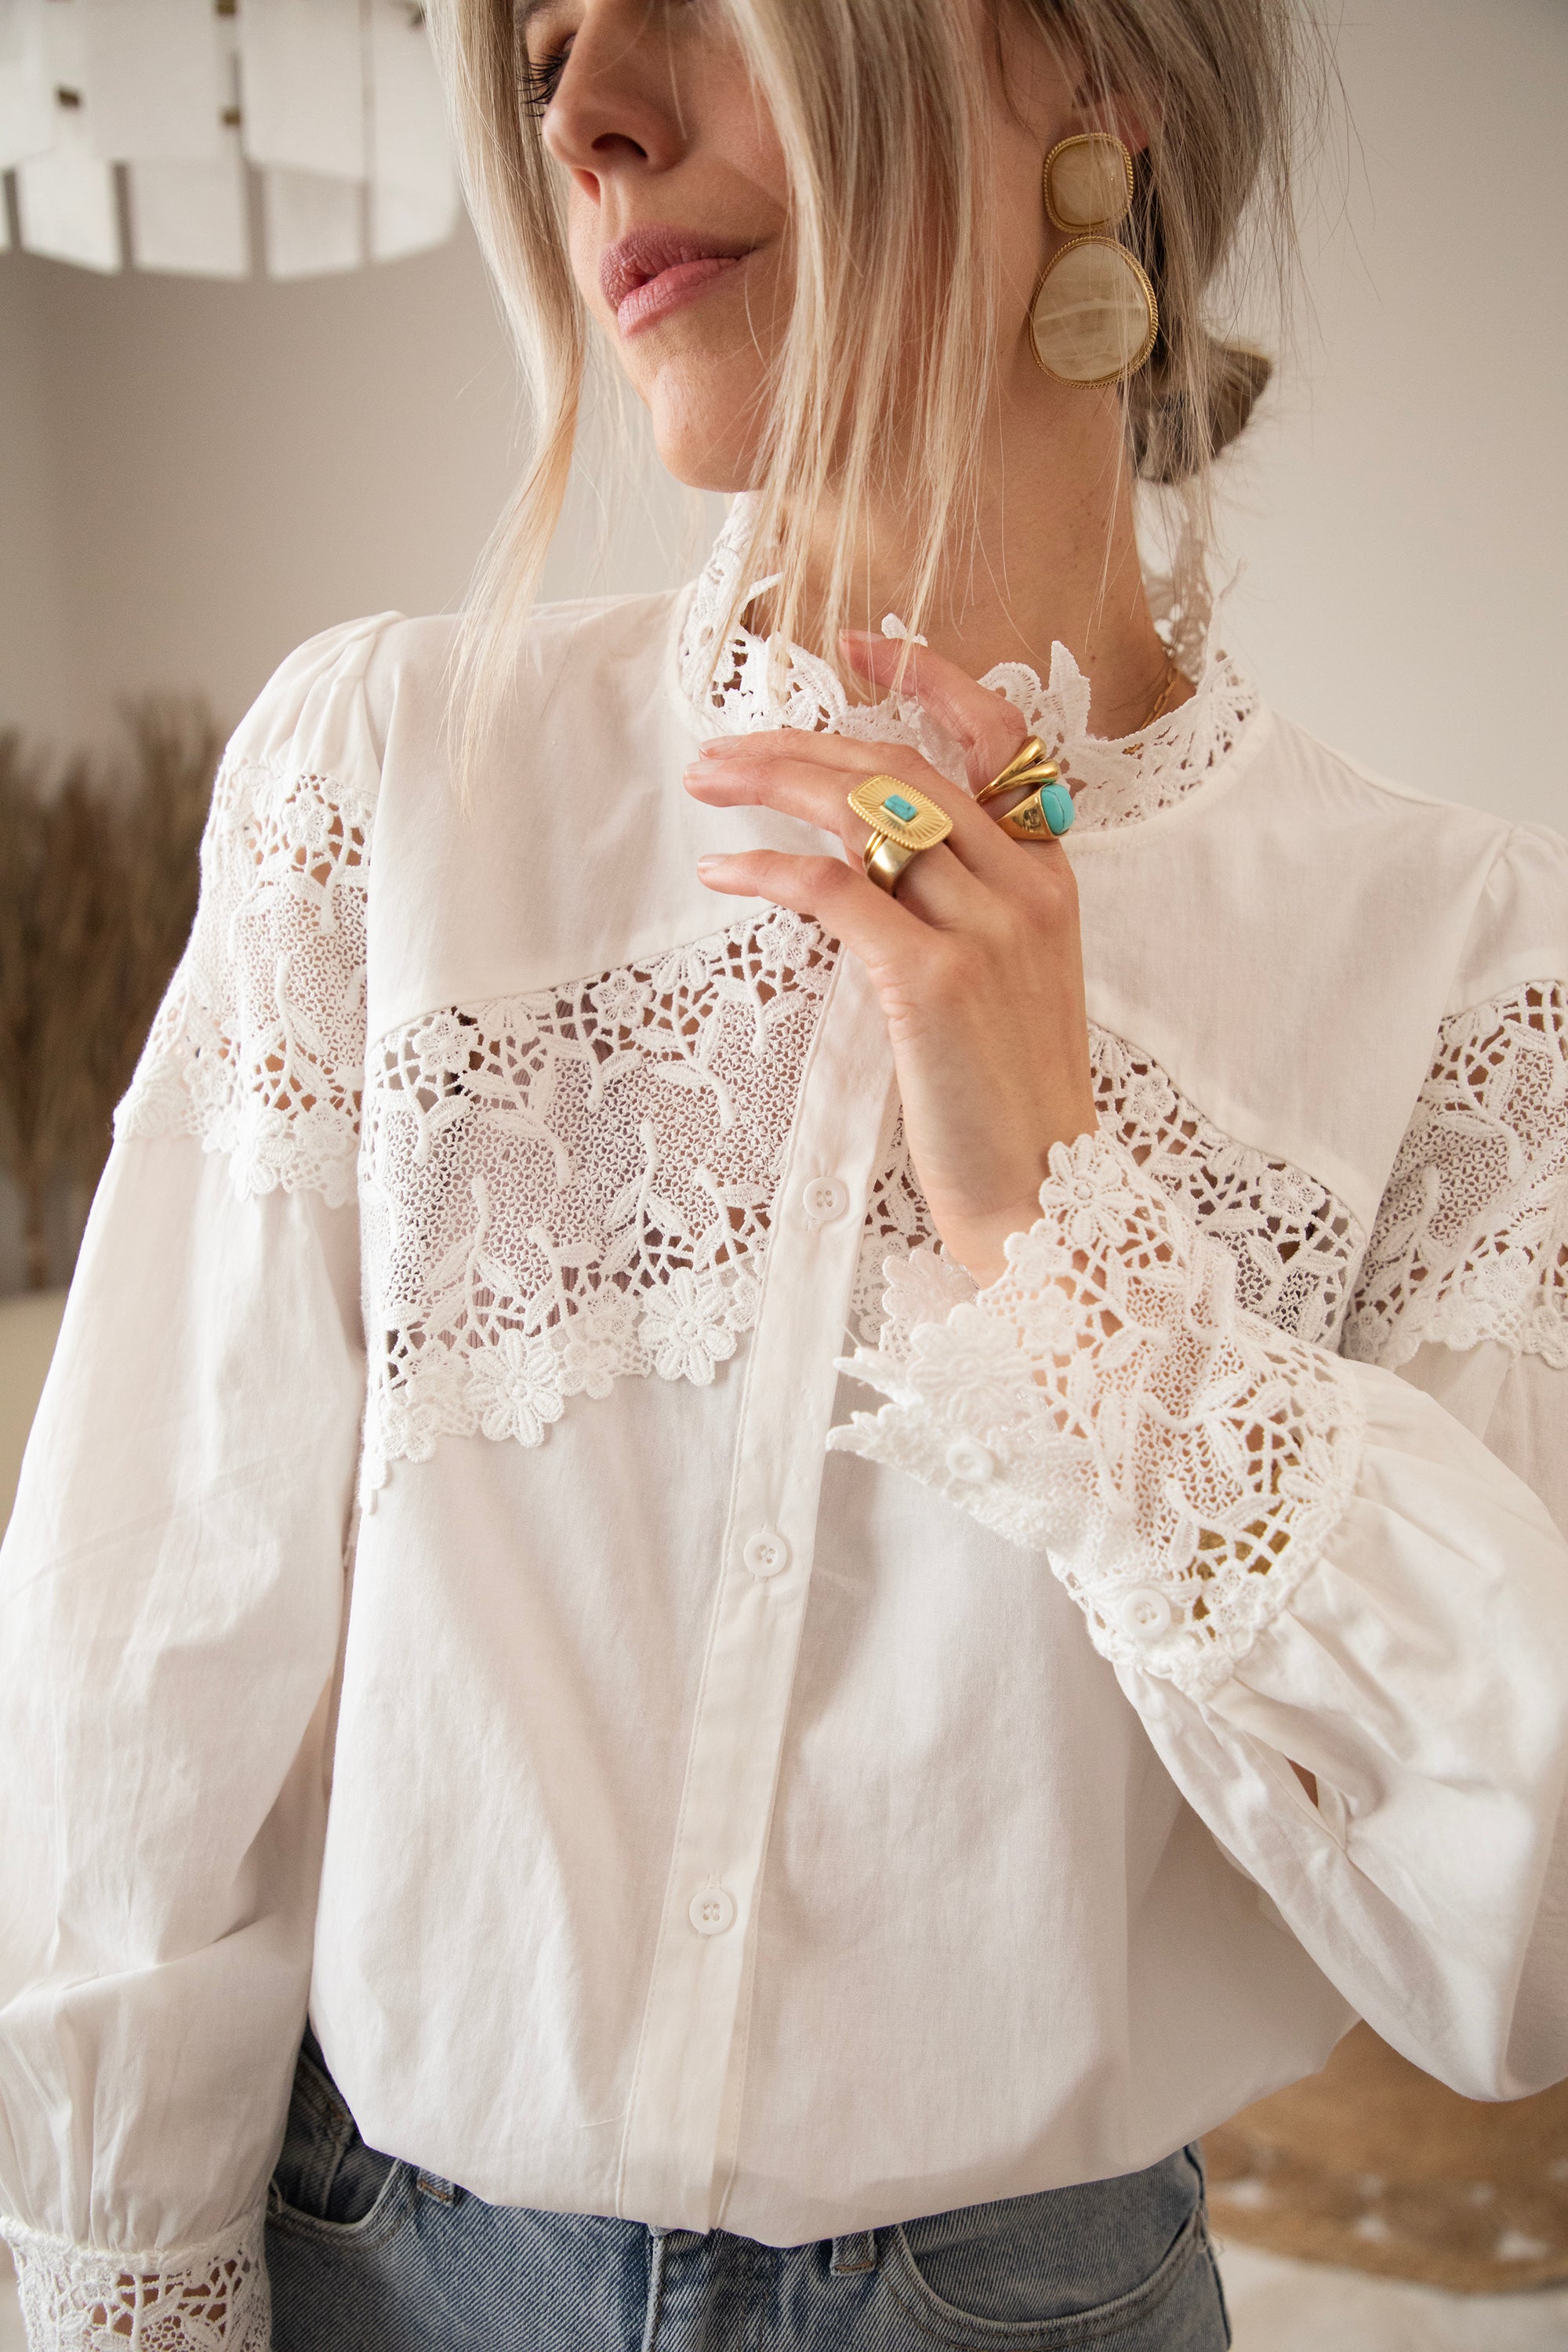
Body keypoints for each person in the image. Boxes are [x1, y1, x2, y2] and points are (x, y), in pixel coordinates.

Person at [2, 1, 1565, 2347]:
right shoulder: (390, 780)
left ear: (1095, 67)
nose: (586, 118)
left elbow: (1514, 1942)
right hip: (372, 2272)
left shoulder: (1460, 968)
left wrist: (1061, 1242)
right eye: (540, 49)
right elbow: (145, 1660)